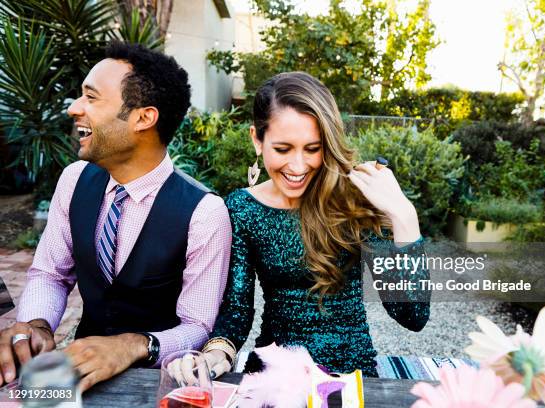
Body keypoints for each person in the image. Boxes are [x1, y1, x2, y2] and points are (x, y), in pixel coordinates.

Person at [0, 42, 231, 391]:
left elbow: (197, 325)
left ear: (143, 118)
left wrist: (135, 345)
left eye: (91, 98)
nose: (74, 109)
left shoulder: (204, 212)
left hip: (163, 384)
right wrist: (37, 325)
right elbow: (51, 274)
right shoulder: (74, 180)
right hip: (77, 377)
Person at [200, 72, 430, 378]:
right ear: (257, 139)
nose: (298, 166)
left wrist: (404, 215)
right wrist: (217, 353)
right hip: (274, 377)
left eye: (313, 149)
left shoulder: (355, 199)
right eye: (283, 149)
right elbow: (237, 310)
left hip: (349, 378)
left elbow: (411, 316)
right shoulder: (242, 208)